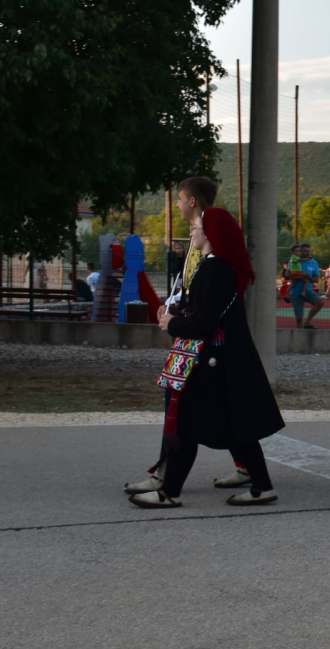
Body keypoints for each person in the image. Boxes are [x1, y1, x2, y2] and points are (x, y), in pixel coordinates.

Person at [127, 206, 285, 508]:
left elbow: (203, 323)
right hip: (220, 361)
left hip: (209, 362)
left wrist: (171, 323)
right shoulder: (221, 267)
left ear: (210, 233)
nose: (191, 233)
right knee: (234, 424)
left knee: (186, 424)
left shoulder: (214, 269)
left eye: (196, 229)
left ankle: (170, 492)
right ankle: (261, 486)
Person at [126, 176, 252, 494]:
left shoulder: (209, 242)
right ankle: (249, 467)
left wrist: (177, 318)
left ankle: (165, 478)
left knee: (178, 404)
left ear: (192, 201)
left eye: (180, 198)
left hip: (200, 340)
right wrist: (169, 307)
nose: (178, 204)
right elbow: (185, 286)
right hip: (192, 334)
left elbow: (205, 293)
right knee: (220, 407)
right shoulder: (201, 241)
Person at [288, 244, 325, 329]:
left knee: (320, 301)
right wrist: (298, 276)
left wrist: (308, 277)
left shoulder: (313, 262)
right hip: (295, 292)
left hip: (308, 290)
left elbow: (316, 279)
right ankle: (300, 334)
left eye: (309, 251)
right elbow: (287, 275)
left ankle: (308, 322)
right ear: (300, 252)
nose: (308, 253)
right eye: (305, 251)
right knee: (299, 318)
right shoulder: (294, 261)